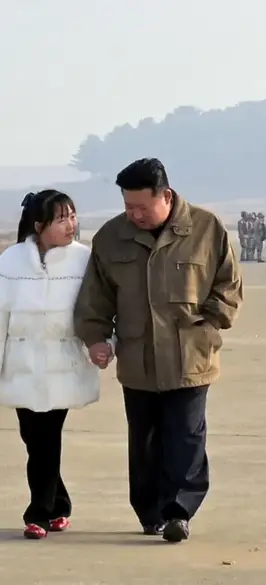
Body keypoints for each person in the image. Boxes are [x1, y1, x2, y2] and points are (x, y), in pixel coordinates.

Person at [73, 158, 243, 543]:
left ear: (166, 196)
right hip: (138, 358)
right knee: (145, 441)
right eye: (128, 206)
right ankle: (150, 513)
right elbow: (96, 297)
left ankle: (179, 512)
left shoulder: (206, 228)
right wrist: (96, 338)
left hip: (190, 355)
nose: (134, 215)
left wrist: (210, 323)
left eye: (142, 207)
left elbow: (228, 284)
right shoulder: (111, 237)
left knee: (186, 435)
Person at [0, 190, 111, 540]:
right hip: (21, 364)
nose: (71, 225)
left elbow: (100, 308)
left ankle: (39, 514)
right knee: (33, 438)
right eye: (61, 219)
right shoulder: (11, 261)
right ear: (39, 226)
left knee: (46, 438)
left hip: (62, 364)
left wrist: (104, 344)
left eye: (73, 216)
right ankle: (60, 504)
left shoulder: (83, 260)